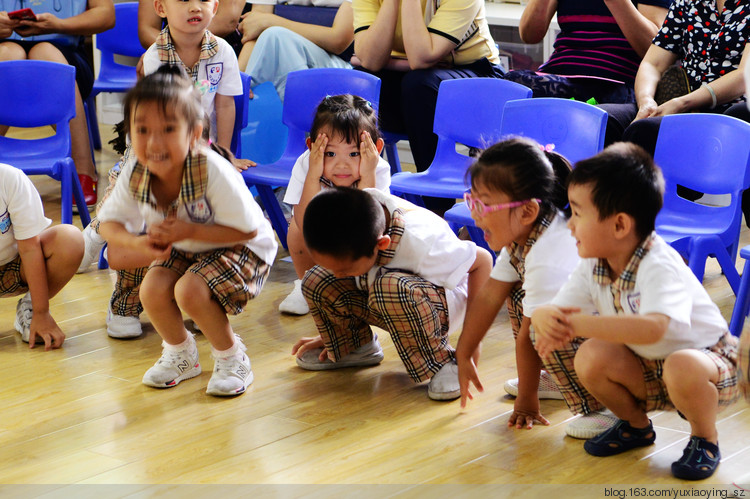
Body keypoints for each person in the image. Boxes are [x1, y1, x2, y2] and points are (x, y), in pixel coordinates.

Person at [531, 142, 739, 480]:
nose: (570, 224)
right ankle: (635, 426)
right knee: (590, 356)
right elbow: (562, 308)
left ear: (619, 225)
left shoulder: (659, 262)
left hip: (709, 363)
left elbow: (655, 328)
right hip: (651, 366)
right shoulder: (593, 264)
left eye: (578, 212)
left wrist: (579, 323)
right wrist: (546, 316)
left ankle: (705, 438)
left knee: (681, 364)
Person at [97, 67, 277, 397]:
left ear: (194, 133)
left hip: (245, 245)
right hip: (189, 242)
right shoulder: (137, 170)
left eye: (168, 129)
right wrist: (136, 241)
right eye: (142, 130)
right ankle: (182, 354)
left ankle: (232, 358)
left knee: (189, 291)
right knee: (150, 290)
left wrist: (186, 229)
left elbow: (248, 229)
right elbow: (109, 224)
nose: (153, 142)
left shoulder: (210, 168)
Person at [456, 138, 615, 438]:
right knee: (516, 293)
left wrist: (526, 399)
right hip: (597, 331)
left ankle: (607, 406)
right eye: (471, 200)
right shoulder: (526, 233)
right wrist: (464, 350)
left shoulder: (549, 253)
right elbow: (490, 294)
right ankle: (559, 378)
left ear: (527, 211)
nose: (474, 214)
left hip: (627, 347)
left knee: (542, 328)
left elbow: (530, 338)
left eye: (484, 204)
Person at [291, 187, 492, 400]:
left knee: (388, 286)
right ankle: (353, 346)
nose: (339, 276)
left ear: (382, 244)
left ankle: (442, 362)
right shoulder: (359, 212)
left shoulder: (422, 244)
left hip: (442, 301)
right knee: (316, 279)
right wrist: (332, 333)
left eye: (345, 270)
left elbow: (482, 261)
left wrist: (472, 341)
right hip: (388, 292)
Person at [352, 0, 504, 212]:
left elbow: (420, 58)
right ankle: (362, 205)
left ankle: (438, 212)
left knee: (420, 84)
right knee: (360, 83)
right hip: (413, 79)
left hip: (477, 81)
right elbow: (370, 59)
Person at [278, 94, 391, 316]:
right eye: (330, 153)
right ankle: (305, 283)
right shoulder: (306, 163)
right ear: (312, 147)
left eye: (354, 153)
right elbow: (304, 221)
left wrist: (367, 173)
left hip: (361, 237)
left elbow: (367, 227)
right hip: (321, 227)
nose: (342, 165)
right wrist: (314, 173)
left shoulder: (377, 167)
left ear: (375, 149)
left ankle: (361, 288)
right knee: (296, 229)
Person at [0, 0, 116, 208]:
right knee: (8, 55)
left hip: (65, 52)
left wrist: (58, 25)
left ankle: (83, 168)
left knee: (46, 54)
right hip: (4, 50)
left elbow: (106, 15)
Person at [599, 0, 750, 151]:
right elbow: (653, 64)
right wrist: (646, 102)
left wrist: (682, 103)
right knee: (605, 121)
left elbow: (743, 76)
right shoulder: (688, 2)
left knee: (645, 131)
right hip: (678, 101)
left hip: (728, 108)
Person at [503, 0, 670, 104]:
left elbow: (655, 49)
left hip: (616, 81)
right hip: (561, 74)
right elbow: (529, 35)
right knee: (506, 88)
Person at [0, 162, 84, 350]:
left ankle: (29, 308)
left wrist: (41, 311)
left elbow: (30, 249)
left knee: (70, 240)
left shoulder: (10, 178)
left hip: (14, 267)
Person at [141, 0, 243, 152]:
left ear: (215, 7)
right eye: (183, 0)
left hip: (208, 146)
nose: (195, 8)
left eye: (204, 0)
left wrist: (224, 154)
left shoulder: (223, 51)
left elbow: (225, 105)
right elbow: (161, 113)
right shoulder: (155, 57)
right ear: (161, 8)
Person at [238, 0, 354, 100]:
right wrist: (238, 78)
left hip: (335, 63)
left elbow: (338, 40)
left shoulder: (276, 33)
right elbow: (254, 30)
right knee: (238, 86)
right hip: (280, 56)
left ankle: (298, 117)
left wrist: (271, 22)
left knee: (277, 37)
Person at [138, 0, 249, 56]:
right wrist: (166, 50)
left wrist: (186, 52)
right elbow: (147, 28)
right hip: (170, 46)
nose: (195, 8)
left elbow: (226, 22)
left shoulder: (225, 51)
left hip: (228, 50)